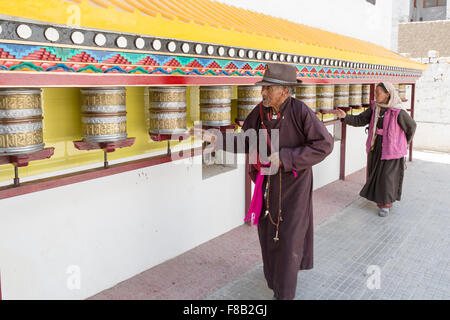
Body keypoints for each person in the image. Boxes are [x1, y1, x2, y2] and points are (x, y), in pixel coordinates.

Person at [201, 63, 334, 300]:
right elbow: (246, 141)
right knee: (268, 232)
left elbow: (324, 145)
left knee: (289, 237)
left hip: (295, 186)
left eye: (268, 88)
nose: (263, 92)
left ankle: (284, 293)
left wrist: (285, 158)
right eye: (264, 87)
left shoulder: (301, 111)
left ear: (284, 91)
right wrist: (217, 139)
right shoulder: (260, 113)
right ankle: (275, 281)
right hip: (267, 186)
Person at [336, 82, 416, 217]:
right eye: (375, 92)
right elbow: (361, 119)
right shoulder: (375, 108)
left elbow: (411, 127)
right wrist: (345, 117)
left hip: (392, 150)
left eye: (378, 93)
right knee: (376, 174)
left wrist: (403, 143)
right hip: (377, 145)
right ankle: (380, 201)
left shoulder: (398, 112)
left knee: (387, 177)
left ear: (388, 94)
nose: (375, 95)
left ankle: (386, 205)